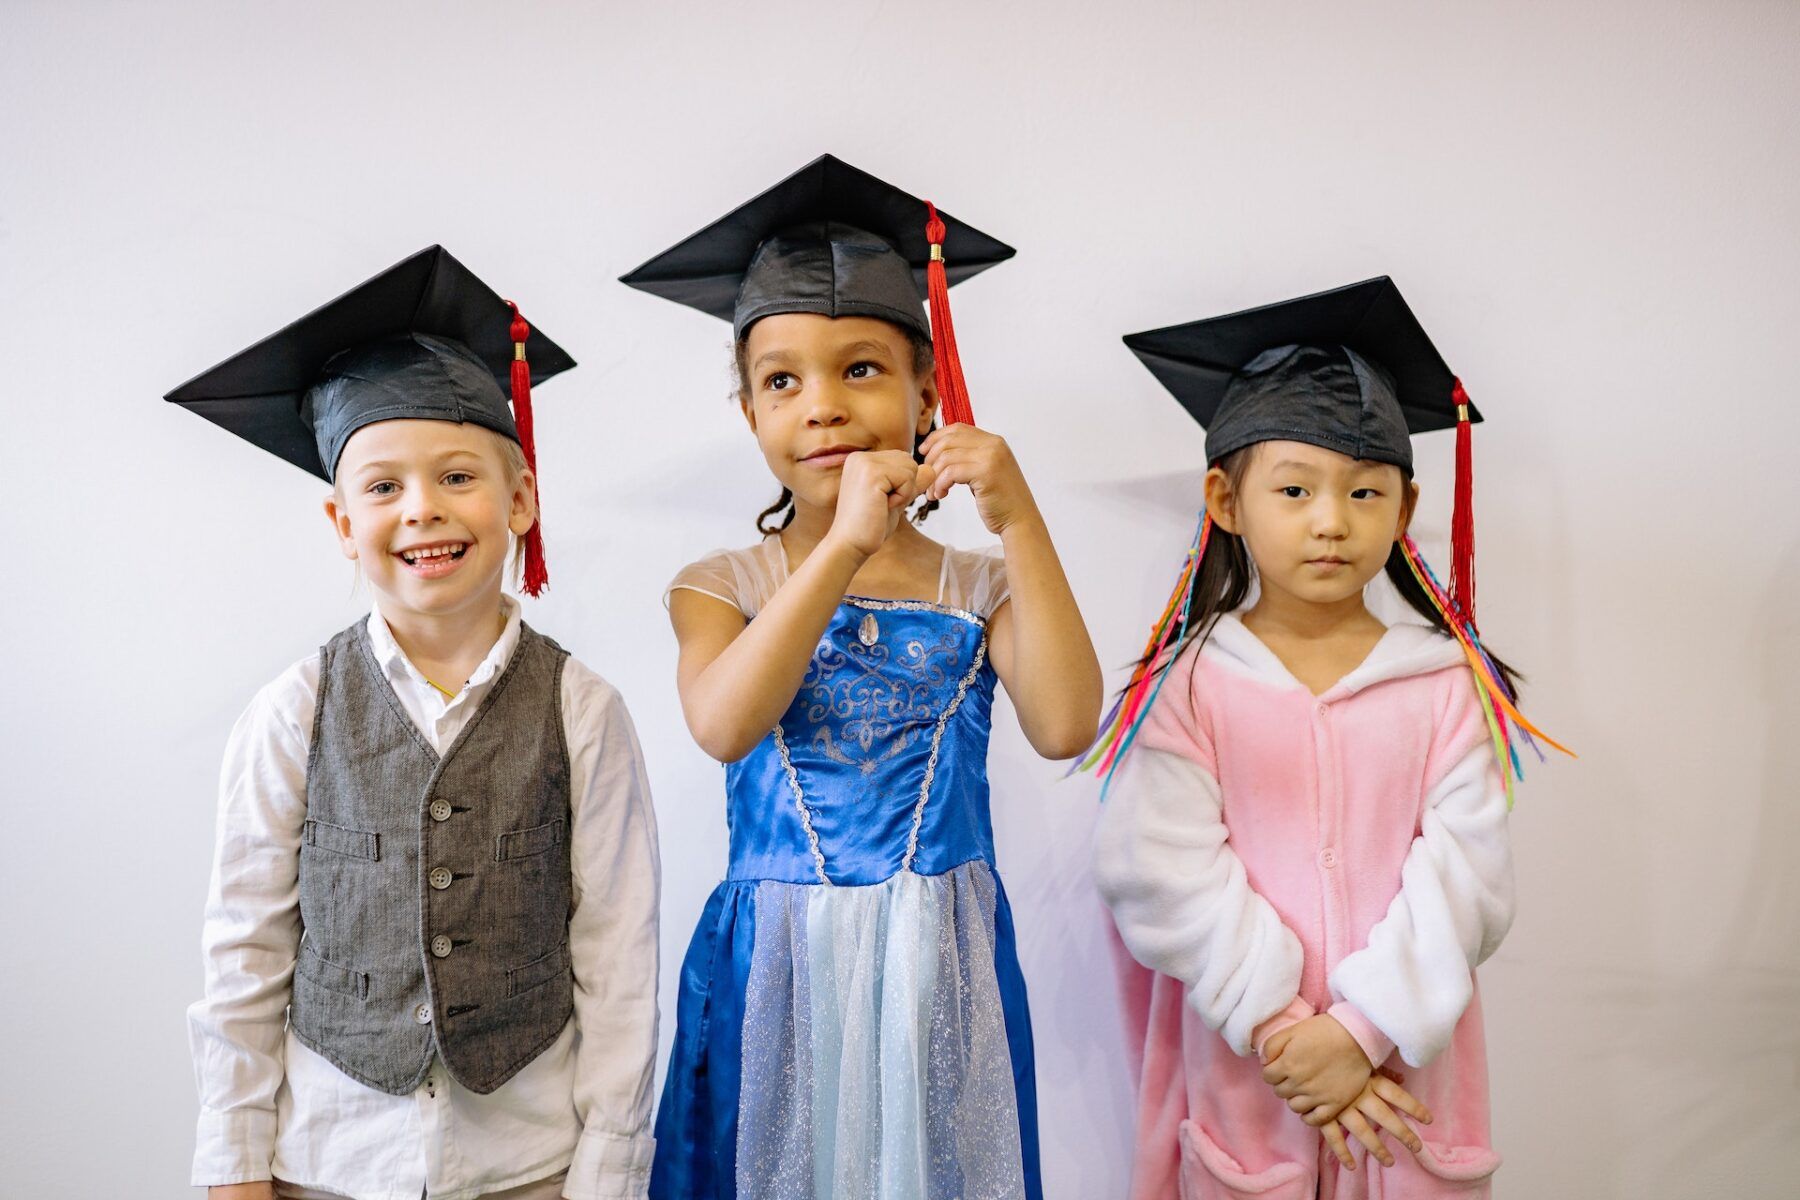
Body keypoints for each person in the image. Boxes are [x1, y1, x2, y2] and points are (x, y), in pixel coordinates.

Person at [620, 154, 1102, 1200]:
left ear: (929, 394)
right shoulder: (724, 584)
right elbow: (722, 722)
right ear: (749, 414)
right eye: (783, 380)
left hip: (941, 966)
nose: (823, 406)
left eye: (863, 371)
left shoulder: (976, 585)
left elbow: (1066, 724)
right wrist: (840, 545)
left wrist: (1019, 519)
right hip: (777, 967)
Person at [171, 246, 661, 1200]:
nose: (422, 509)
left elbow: (618, 958)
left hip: (533, 1164)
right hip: (330, 1160)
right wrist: (232, 1166)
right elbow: (246, 950)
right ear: (342, 524)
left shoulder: (583, 710)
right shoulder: (292, 711)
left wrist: (609, 1171)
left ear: (522, 499)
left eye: (458, 476)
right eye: (384, 487)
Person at [1088, 277, 1570, 1199]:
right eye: (1296, 488)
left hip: (1404, 1071)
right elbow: (1158, 868)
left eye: (1364, 491)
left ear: (1405, 505)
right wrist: (1285, 1031)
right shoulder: (1189, 684)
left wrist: (1359, 1033)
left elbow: (1468, 877)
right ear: (1225, 502)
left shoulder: (1442, 685)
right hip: (1250, 1069)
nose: (1330, 520)